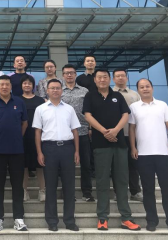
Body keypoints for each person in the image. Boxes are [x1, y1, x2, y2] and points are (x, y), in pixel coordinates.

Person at [82, 68, 140, 231]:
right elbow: (88, 116)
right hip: (100, 145)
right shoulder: (90, 96)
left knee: (121, 181)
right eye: (99, 77)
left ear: (109, 79)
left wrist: (115, 131)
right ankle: (102, 217)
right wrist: (104, 131)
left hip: (119, 144)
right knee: (102, 181)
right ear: (95, 80)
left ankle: (126, 218)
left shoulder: (117, 96)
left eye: (105, 77)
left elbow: (125, 115)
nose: (102, 80)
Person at [129, 79, 168, 233]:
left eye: (147, 86)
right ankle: (151, 221)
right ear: (138, 90)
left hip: (163, 154)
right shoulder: (134, 107)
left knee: (167, 190)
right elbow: (132, 129)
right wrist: (133, 147)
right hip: (143, 155)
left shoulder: (162, 105)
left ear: (152, 88)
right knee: (148, 190)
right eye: (141, 87)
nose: (145, 89)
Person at [34, 79, 81, 232]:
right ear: (47, 91)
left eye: (58, 88)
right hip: (49, 148)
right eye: (52, 88)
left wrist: (76, 151)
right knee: (50, 186)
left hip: (67, 148)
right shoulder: (40, 109)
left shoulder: (69, 109)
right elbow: (38, 132)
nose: (55, 90)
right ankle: (52, 221)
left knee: (69, 186)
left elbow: (75, 130)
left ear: (62, 90)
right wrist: (39, 152)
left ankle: (69, 221)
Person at [0, 75, 28, 232]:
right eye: (1, 84)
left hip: (17, 150)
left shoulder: (19, 102)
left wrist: (17, 137)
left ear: (11, 86)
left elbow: (24, 123)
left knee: (17, 186)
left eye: (7, 84)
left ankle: (18, 218)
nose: (4, 87)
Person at [61, 63, 94, 202]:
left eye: (72, 73)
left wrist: (90, 128)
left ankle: (87, 192)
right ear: (63, 75)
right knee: (67, 166)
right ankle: (68, 193)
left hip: (83, 131)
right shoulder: (59, 91)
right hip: (65, 133)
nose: (69, 75)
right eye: (66, 73)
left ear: (75, 75)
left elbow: (89, 111)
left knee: (86, 164)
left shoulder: (84, 91)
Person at [113, 69, 142, 201]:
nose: (120, 78)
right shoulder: (109, 93)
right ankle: (119, 192)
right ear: (113, 79)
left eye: (122, 76)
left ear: (126, 78)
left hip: (132, 135)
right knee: (117, 166)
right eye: (117, 76)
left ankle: (135, 191)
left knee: (133, 164)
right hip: (116, 135)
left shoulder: (135, 95)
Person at [20, 74, 46, 202]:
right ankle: (24, 191)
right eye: (25, 83)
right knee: (23, 165)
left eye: (29, 83)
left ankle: (42, 191)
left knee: (40, 164)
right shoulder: (17, 100)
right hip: (22, 135)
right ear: (21, 85)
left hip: (38, 134)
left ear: (33, 86)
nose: (27, 85)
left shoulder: (40, 100)